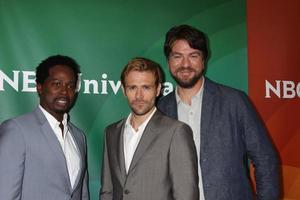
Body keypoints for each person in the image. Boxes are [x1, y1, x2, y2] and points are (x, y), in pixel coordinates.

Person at [157, 24, 280, 200]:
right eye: (177, 56)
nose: (185, 64)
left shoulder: (234, 101)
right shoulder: (160, 110)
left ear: (203, 60)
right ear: (168, 61)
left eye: (193, 56)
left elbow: (265, 158)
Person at [100, 57, 199, 200]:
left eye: (146, 87)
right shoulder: (111, 132)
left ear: (158, 89)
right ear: (123, 90)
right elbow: (107, 191)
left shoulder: (176, 132)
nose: (139, 96)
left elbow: (186, 195)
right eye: (132, 87)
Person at [0, 55, 89, 200]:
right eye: (57, 84)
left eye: (70, 85)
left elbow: (82, 194)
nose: (65, 92)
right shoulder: (16, 130)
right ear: (39, 87)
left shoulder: (79, 137)